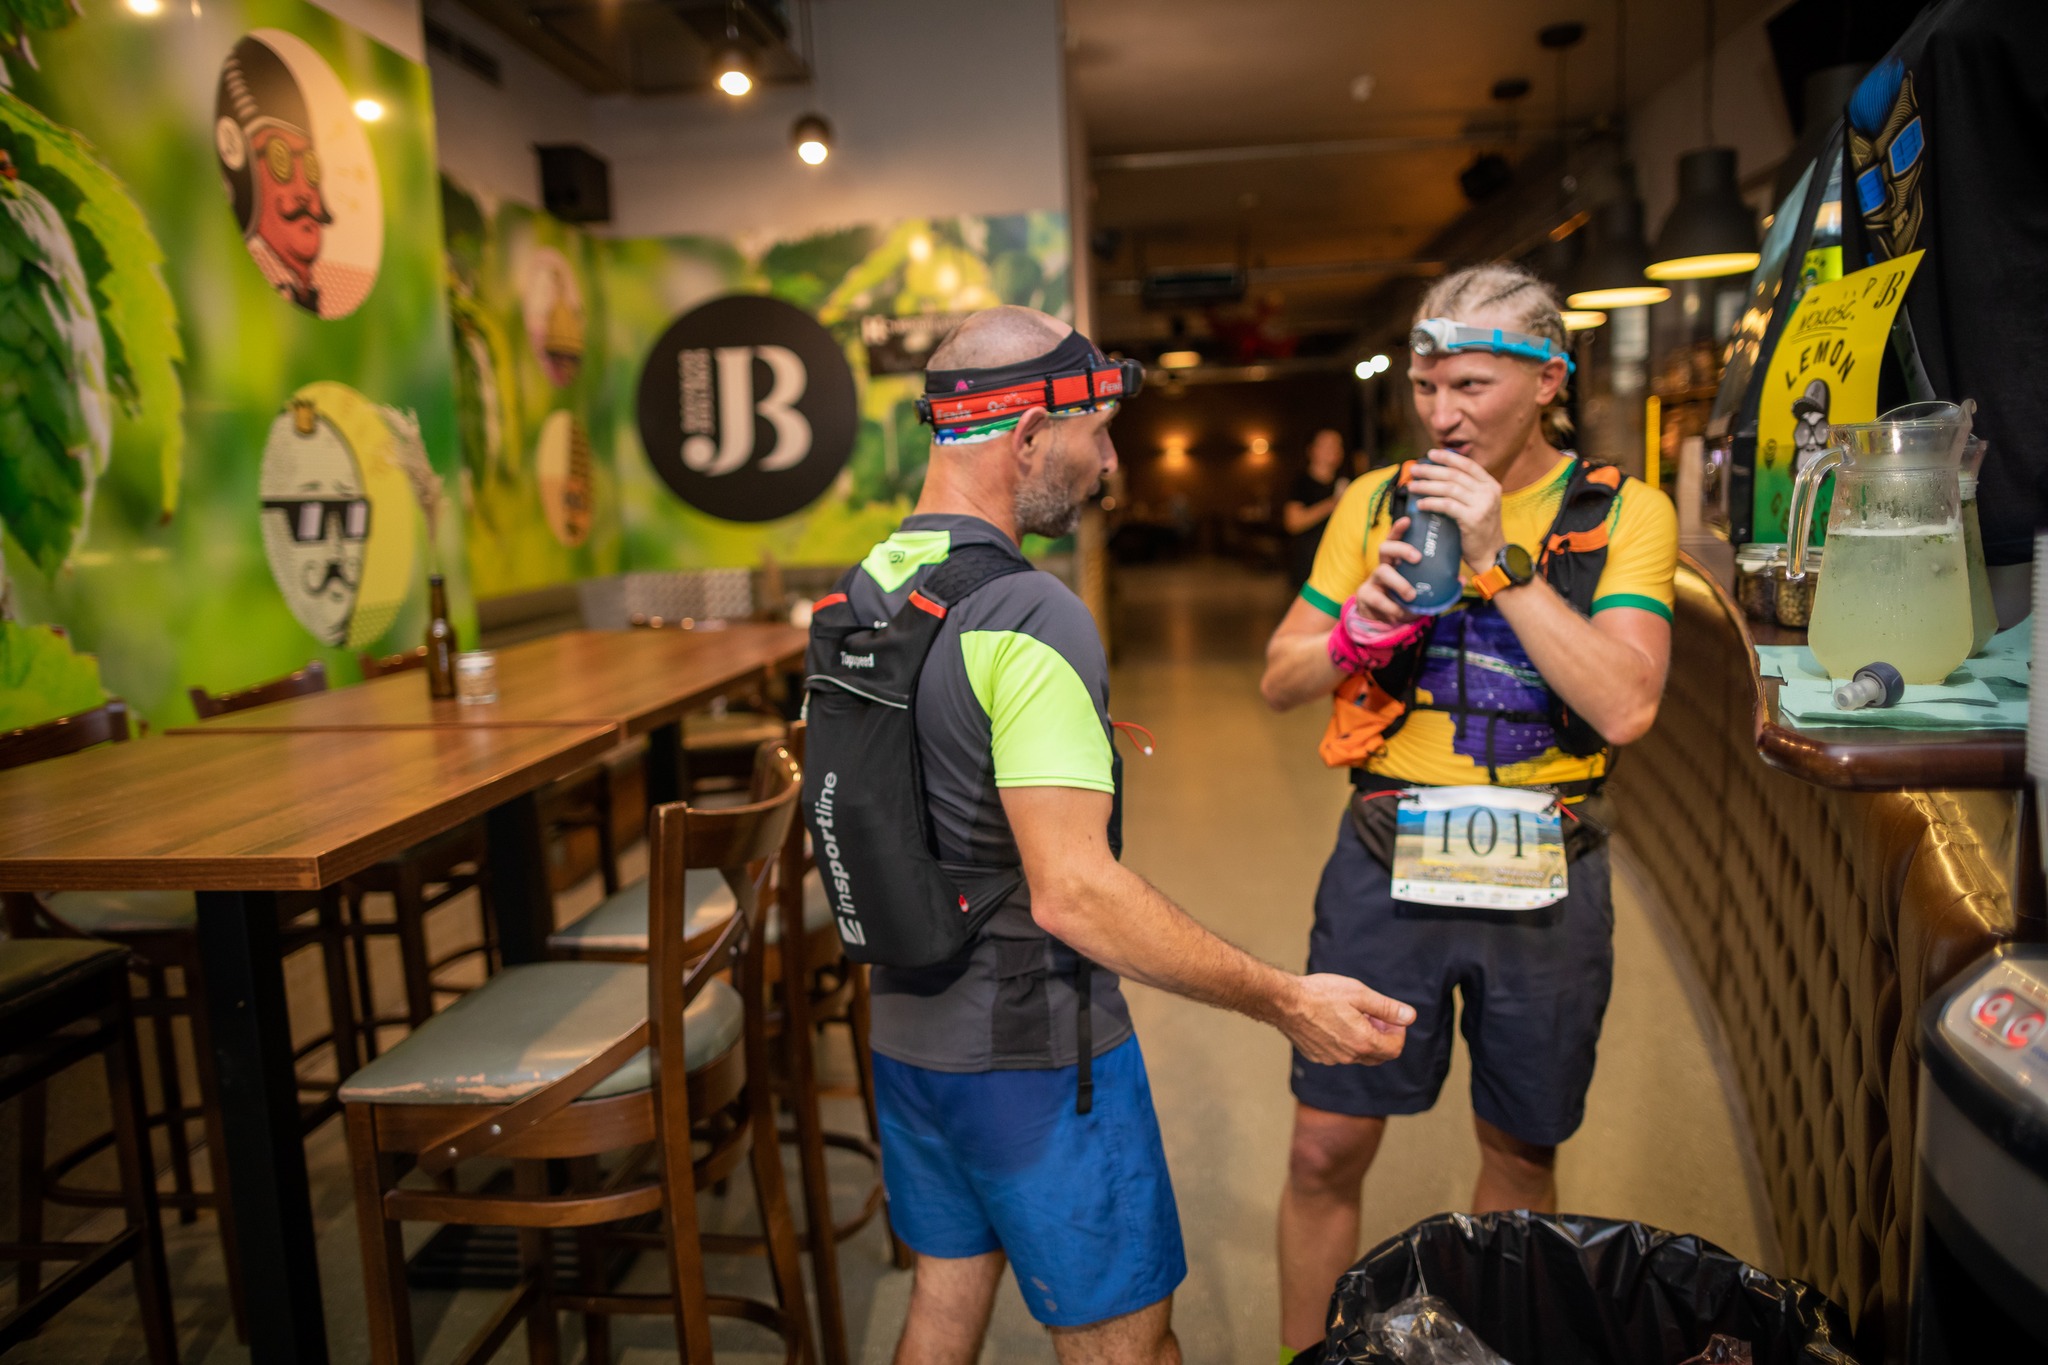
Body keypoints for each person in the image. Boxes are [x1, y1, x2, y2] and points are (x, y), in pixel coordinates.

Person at [853, 305, 1415, 1365]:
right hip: (1036, 1057)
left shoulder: (869, 587)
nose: (1110, 464)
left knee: (941, 1303)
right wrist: (1285, 1000)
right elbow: (1074, 892)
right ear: (1028, 435)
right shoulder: (1028, 614)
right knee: (1130, 1347)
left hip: (910, 1041)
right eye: (1097, 434)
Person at [1257, 264, 1677, 1359]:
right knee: (1320, 1149)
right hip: (1384, 856)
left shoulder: (1623, 512)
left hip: (1546, 871)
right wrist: (1352, 631)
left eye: (1472, 386)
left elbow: (1626, 706)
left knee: (1520, 1155)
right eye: (1425, 386)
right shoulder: (1374, 501)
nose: (1442, 415)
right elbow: (1280, 678)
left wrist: (1499, 564)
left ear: (1549, 380)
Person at [1283, 429, 1351, 590]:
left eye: (1337, 445)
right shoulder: (1302, 483)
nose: (1333, 450)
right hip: (1309, 563)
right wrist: (1333, 504)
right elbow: (1293, 523)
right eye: (1327, 445)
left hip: (1338, 565)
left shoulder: (1346, 482)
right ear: (1312, 450)